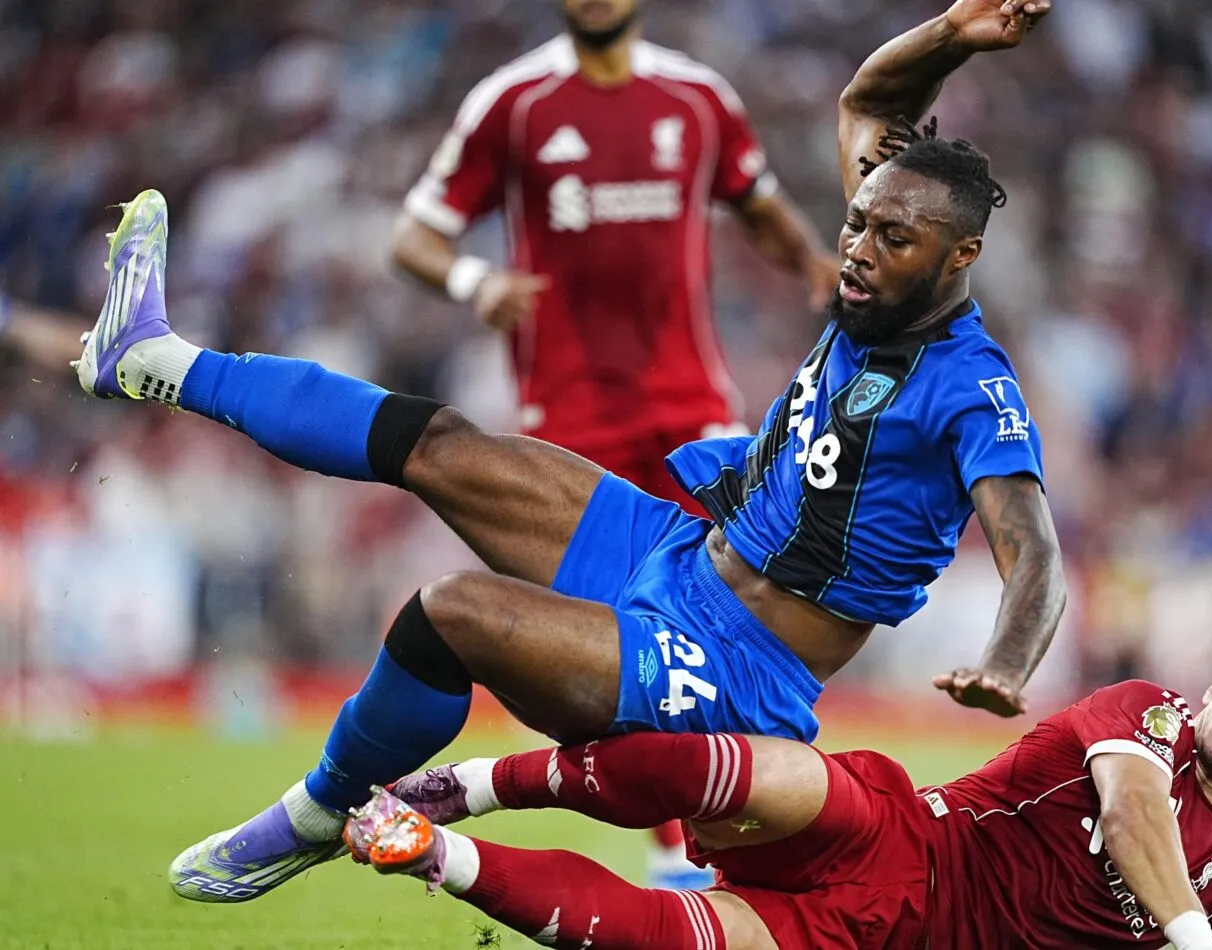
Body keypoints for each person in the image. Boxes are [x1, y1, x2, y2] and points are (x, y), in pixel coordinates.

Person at [73, 0, 1065, 906]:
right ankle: (155, 360)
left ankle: (318, 810)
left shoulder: (970, 389)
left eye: (890, 238)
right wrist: (952, 31)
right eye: (854, 222)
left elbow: (1034, 554)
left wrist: (1005, 664)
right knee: (444, 443)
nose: (856, 249)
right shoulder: (877, 269)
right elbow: (870, 102)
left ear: (958, 256)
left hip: (734, 668)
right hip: (676, 552)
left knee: (450, 612)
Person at [391, 0, 841, 882]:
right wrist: (475, 280)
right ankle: (675, 843)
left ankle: (737, 837)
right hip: (568, 423)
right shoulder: (515, 102)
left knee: (736, 622)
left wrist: (814, 265)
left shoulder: (698, 99)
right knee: (608, 646)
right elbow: (414, 236)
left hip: (691, 411)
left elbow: (759, 203)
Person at [347, 627, 1212, 950]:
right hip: (901, 836)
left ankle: (429, 848)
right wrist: (1192, 941)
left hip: (880, 941)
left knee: (676, 940)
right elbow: (1135, 814)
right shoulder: (1145, 715)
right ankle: (472, 784)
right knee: (747, 767)